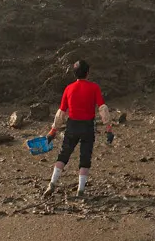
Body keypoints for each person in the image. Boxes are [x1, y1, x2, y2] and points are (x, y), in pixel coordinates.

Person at [46, 62, 111, 197]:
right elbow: (102, 108)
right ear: (88, 73)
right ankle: (80, 190)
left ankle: (52, 183)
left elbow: (61, 112)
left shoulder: (69, 88)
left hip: (72, 126)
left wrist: (53, 131)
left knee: (63, 155)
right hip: (87, 126)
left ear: (74, 73)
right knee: (85, 157)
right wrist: (108, 128)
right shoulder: (94, 88)